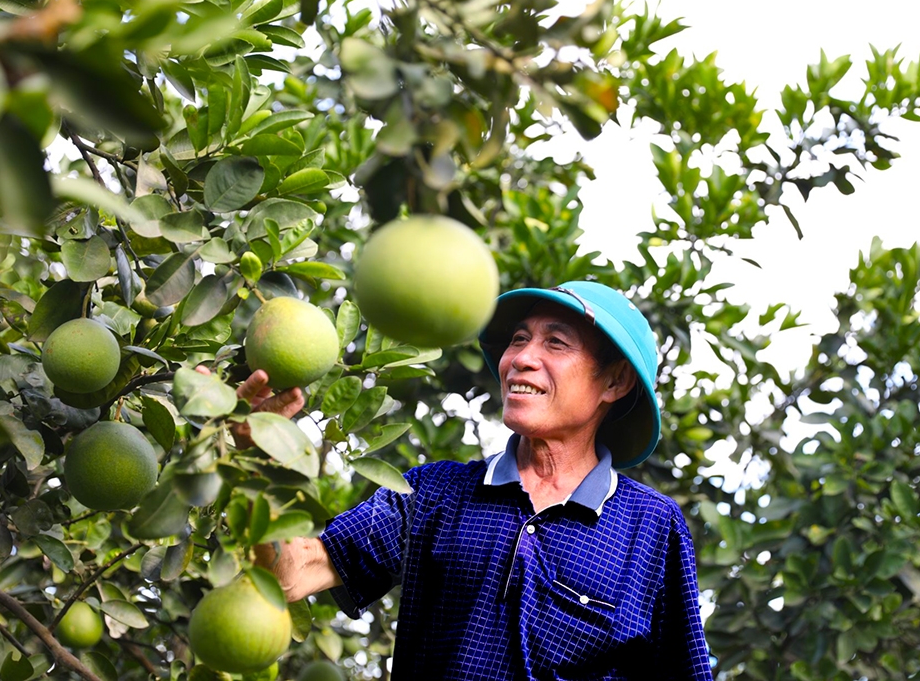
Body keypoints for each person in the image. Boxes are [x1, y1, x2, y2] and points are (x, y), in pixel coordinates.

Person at [230, 281, 714, 680]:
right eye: (518, 339)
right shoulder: (433, 494)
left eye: (556, 342)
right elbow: (290, 574)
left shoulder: (651, 527)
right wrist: (257, 459)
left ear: (615, 382)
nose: (520, 357)